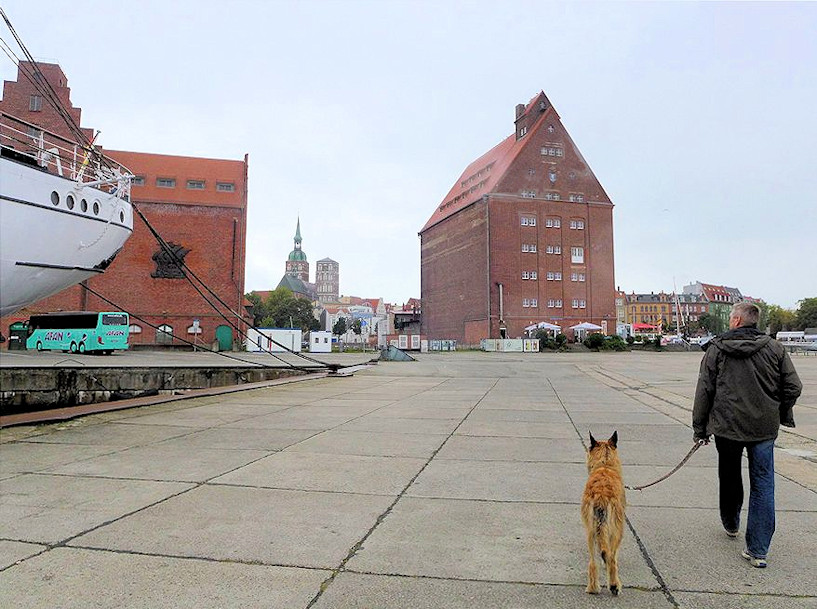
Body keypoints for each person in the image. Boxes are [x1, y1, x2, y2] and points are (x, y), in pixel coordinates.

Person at [693, 301, 802, 568]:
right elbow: (793, 386)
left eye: (732, 318)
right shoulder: (775, 348)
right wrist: (780, 410)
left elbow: (704, 390)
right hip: (763, 428)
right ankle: (758, 550)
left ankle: (731, 522)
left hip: (727, 428)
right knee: (763, 484)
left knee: (729, 475)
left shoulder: (717, 349)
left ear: (738, 321)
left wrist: (700, 428)